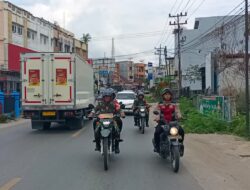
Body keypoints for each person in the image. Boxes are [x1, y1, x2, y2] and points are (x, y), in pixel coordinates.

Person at [89, 89, 125, 154]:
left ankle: (117, 147)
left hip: (112, 120)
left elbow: (119, 109)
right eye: (105, 97)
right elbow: (94, 110)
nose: (107, 98)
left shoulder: (114, 103)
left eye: (108, 97)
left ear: (111, 97)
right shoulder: (100, 104)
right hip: (101, 120)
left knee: (118, 127)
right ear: (103, 97)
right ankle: (97, 145)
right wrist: (91, 114)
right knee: (95, 126)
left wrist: (122, 113)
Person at [153, 88, 185, 154]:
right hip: (162, 123)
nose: (167, 96)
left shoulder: (174, 104)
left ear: (171, 95)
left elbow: (177, 111)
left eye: (169, 94)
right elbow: (157, 111)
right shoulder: (160, 104)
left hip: (173, 123)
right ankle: (157, 146)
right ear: (163, 96)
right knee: (157, 132)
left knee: (181, 131)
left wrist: (179, 116)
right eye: (166, 94)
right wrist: (157, 117)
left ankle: (181, 144)